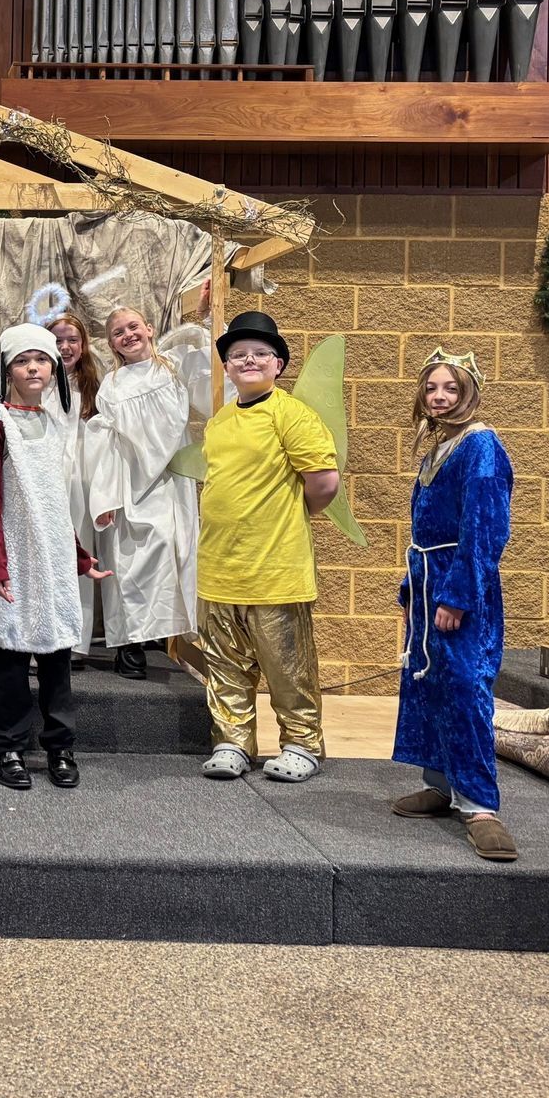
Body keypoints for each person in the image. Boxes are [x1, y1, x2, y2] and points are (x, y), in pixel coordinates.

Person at [0, 324, 110, 791]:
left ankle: (60, 746)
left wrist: (77, 557)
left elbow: (52, 503)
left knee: (56, 655)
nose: (33, 368)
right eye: (22, 361)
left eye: (42, 360)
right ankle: (8, 746)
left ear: (54, 368)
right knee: (11, 655)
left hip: (49, 559)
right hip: (15, 556)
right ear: (6, 369)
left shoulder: (51, 423)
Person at [194, 311, 341, 784]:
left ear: (278, 364)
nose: (249, 360)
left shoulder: (292, 414)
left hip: (275, 571)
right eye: (239, 355)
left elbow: (323, 483)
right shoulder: (219, 423)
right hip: (219, 570)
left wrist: (283, 521)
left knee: (287, 668)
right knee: (224, 666)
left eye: (260, 353)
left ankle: (302, 743)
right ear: (228, 367)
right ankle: (232, 742)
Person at [390, 349, 517, 862]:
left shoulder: (480, 446)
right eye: (431, 388)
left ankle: (481, 806)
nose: (439, 397)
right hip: (429, 581)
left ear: (469, 392)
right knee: (429, 681)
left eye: (450, 388)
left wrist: (459, 595)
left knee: (466, 686)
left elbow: (484, 528)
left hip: (458, 585)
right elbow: (427, 528)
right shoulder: (438, 446)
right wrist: (411, 586)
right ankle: (441, 785)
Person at [88, 306, 206, 680]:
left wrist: (204, 316)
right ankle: (130, 645)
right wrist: (105, 497)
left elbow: (211, 381)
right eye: (118, 332)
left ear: (150, 329)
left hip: (172, 479)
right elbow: (105, 444)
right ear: (112, 345)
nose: (128, 335)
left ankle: (162, 637)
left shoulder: (174, 365)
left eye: (133, 326)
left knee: (174, 550)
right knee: (132, 563)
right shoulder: (113, 385)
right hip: (132, 481)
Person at [43, 312, 103, 670]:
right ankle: (43, 639)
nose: (65, 347)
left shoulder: (93, 387)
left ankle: (76, 643)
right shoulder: (38, 382)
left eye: (72, 340)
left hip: (80, 482)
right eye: (58, 340)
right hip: (46, 479)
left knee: (78, 555)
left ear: (83, 346)